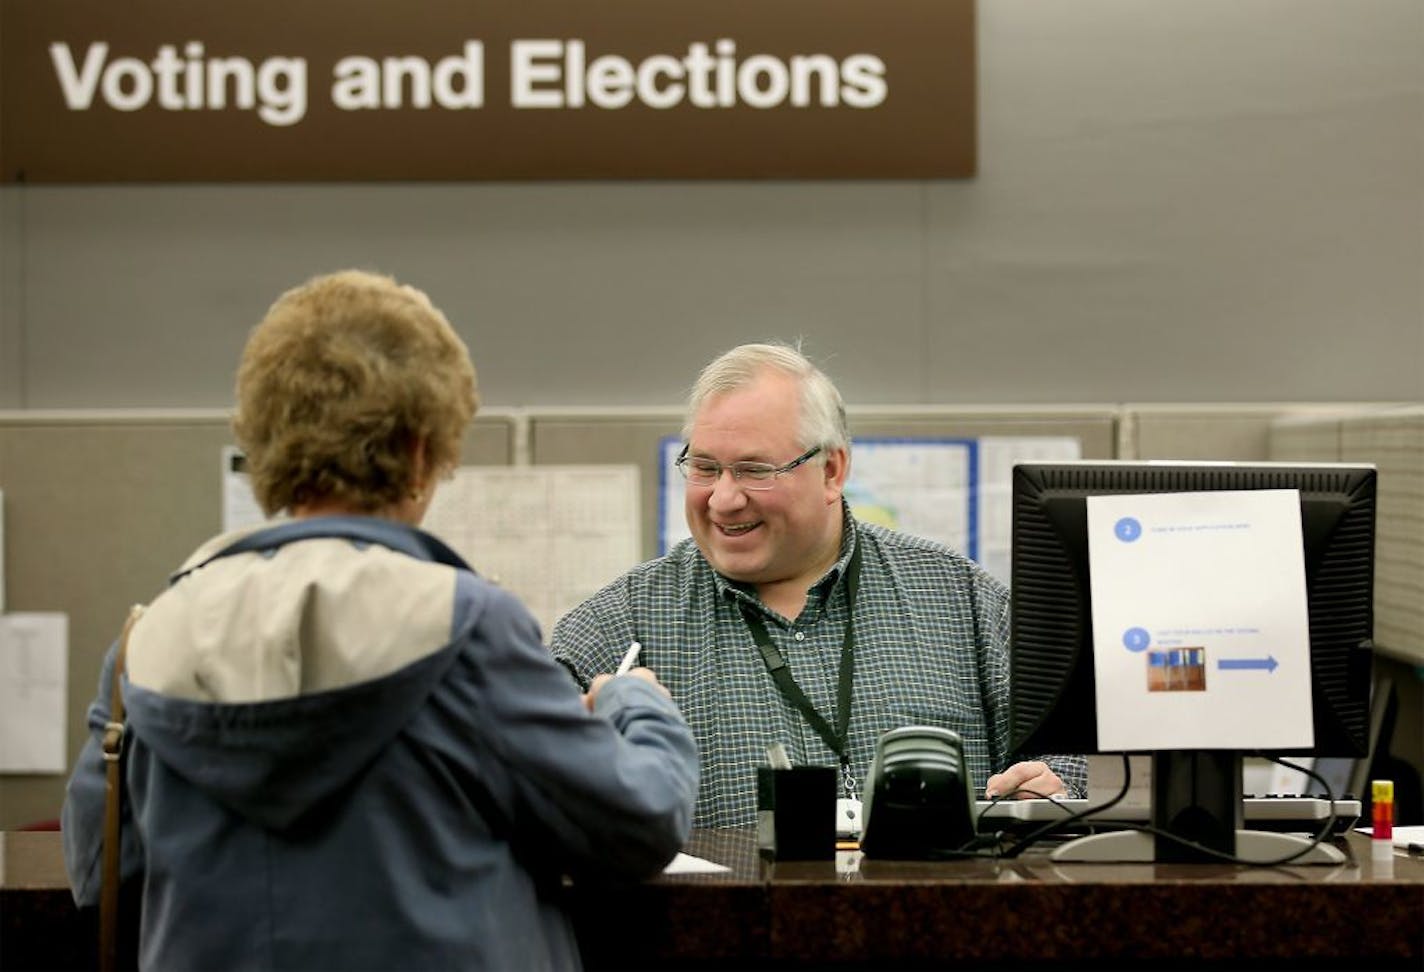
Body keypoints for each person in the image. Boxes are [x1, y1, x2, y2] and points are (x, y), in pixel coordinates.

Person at [61, 270, 698, 970]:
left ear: (266, 443)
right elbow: (636, 824)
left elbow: (99, 875)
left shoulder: (148, 641)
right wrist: (634, 703)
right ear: (423, 451)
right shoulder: (464, 628)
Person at [551, 341, 1086, 829]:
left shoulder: (963, 602)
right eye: (705, 468)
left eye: (754, 471)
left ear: (831, 470)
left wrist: (1057, 783)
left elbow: (1074, 756)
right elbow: (519, 780)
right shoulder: (618, 627)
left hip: (931, 927)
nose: (722, 499)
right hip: (722, 932)